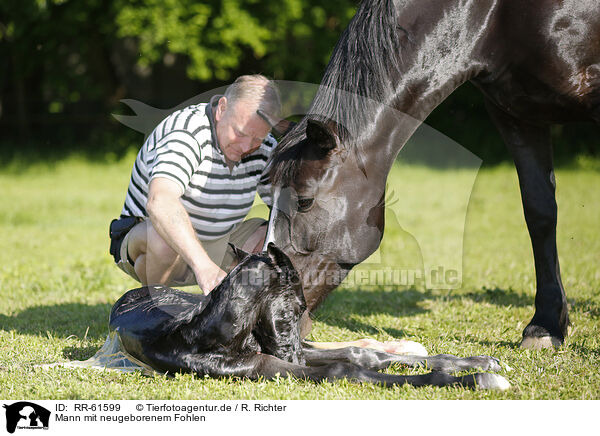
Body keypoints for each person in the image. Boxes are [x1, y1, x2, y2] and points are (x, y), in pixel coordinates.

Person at [109, 75, 280, 295]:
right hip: (152, 242)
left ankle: (237, 308)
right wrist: (204, 267)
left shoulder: (264, 146)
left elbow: (284, 209)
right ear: (222, 109)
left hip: (220, 241)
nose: (247, 146)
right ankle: (154, 305)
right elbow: (160, 202)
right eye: (240, 132)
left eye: (257, 138)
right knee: (160, 239)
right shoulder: (187, 133)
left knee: (273, 237)